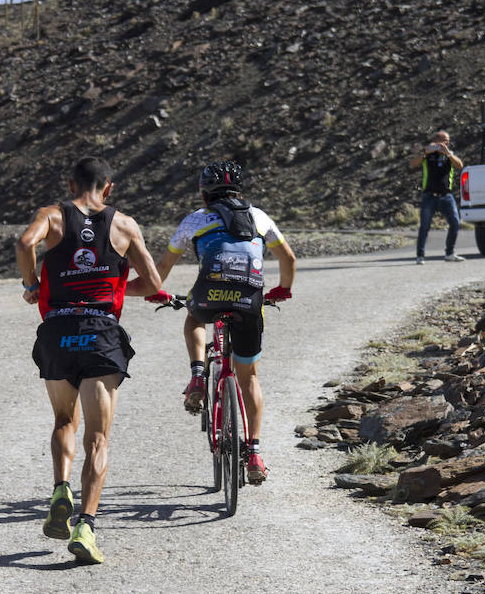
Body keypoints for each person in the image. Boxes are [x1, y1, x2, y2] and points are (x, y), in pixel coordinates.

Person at [15, 157, 167, 565]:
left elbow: (24, 243)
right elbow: (153, 283)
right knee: (98, 439)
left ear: (70, 184)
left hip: (58, 331)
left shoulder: (52, 215)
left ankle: (60, 488)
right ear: (109, 188)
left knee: (64, 421)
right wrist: (117, 289)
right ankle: (85, 525)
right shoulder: (124, 225)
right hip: (100, 331)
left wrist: (32, 284)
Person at [153, 161, 296, 485]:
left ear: (204, 195)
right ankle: (255, 452)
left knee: (193, 317)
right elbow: (288, 259)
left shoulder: (196, 219)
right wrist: (282, 290)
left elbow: (163, 265)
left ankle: (198, 376)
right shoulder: (258, 216)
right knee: (249, 377)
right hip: (249, 299)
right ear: (240, 192)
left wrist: (156, 291)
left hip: (209, 294)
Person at [413, 131, 465, 264]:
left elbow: (460, 165)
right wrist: (425, 152)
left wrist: (448, 153)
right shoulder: (427, 154)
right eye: (443, 140)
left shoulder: (449, 155)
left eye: (447, 141)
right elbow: (413, 164)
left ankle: (449, 253)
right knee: (425, 226)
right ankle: (420, 255)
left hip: (446, 195)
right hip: (429, 195)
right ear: (436, 141)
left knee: (455, 223)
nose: (446, 143)